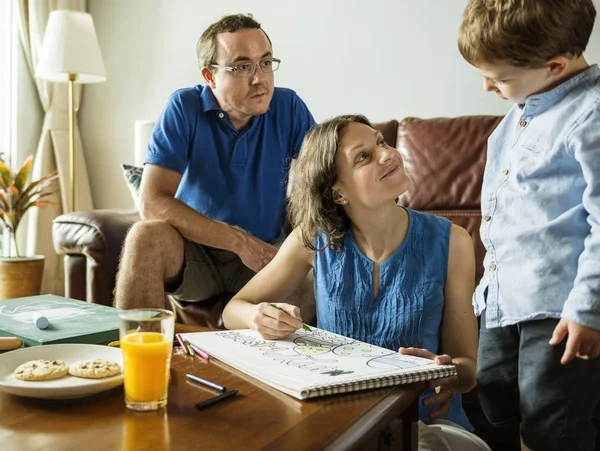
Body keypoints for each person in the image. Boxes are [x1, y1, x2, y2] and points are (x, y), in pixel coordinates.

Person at [222, 115, 489, 449]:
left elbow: (467, 367)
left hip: (427, 427)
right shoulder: (313, 240)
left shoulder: (453, 242)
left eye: (382, 142)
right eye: (363, 156)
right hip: (343, 425)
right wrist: (258, 317)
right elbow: (233, 310)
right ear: (337, 192)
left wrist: (445, 373)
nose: (387, 154)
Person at [458, 1, 600, 450]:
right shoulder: (521, 109)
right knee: (511, 407)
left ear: (554, 64)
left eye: (499, 78)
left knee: (553, 425)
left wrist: (588, 309)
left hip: (557, 306)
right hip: (506, 299)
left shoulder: (590, 113)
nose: (487, 87)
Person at [114, 14, 316, 322]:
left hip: (261, 259)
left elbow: (324, 178)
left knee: (316, 273)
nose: (259, 78)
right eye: (242, 67)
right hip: (194, 255)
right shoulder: (184, 107)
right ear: (210, 76)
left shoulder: (288, 106)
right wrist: (238, 241)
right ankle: (142, 362)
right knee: (145, 236)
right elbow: (152, 202)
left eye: (265, 62)